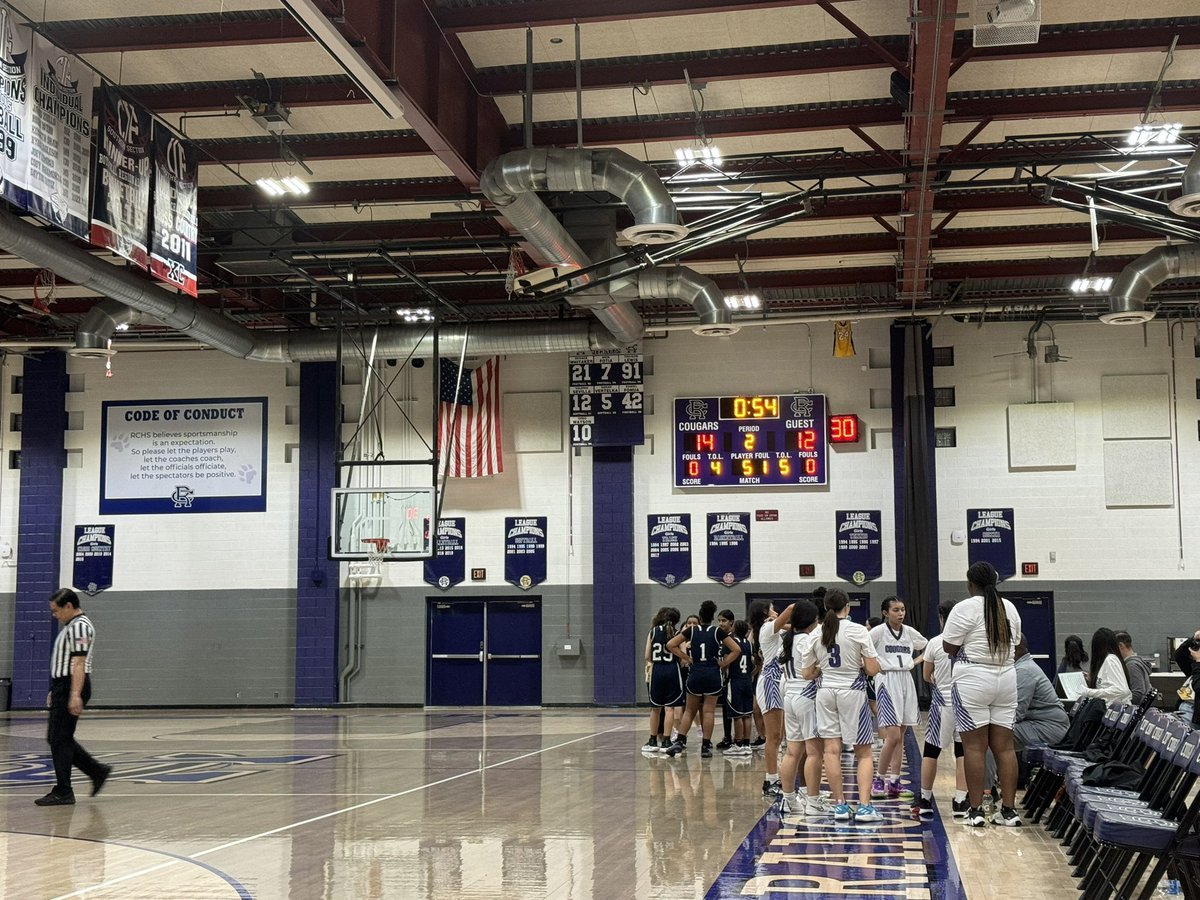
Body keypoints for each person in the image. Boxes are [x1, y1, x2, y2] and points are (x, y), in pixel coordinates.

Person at [941, 561, 1023, 828]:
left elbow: (949, 646)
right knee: (1005, 748)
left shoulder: (964, 608)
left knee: (974, 747)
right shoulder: (1008, 607)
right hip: (1007, 676)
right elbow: (1018, 643)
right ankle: (1009, 811)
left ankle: (975, 811)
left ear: (969, 583)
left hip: (973, 678)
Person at [801, 589, 882, 823]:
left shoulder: (816, 633)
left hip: (825, 692)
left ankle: (840, 805)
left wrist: (821, 669)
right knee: (863, 751)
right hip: (852, 692)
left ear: (825, 607)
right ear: (847, 606)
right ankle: (865, 807)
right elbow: (872, 669)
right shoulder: (857, 630)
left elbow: (807, 673)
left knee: (831, 750)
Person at [37, 588, 111, 806]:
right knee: (59, 738)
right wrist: (57, 687)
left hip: (72, 684)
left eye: (56, 611)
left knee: (60, 739)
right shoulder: (72, 626)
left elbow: (78, 663)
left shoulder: (79, 627)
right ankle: (97, 771)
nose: (54, 615)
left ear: (68, 606)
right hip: (64, 684)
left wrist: (74, 694)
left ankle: (64, 790)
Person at [984, 636, 1070, 790]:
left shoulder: (1024, 671)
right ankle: (990, 787)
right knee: (989, 733)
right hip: (1041, 723)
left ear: (1015, 649)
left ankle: (987, 790)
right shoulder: (1022, 667)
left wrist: (986, 719)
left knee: (989, 737)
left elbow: (1016, 714)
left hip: (1049, 728)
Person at [868, 596, 927, 802]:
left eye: (902, 609)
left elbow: (927, 646)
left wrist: (915, 661)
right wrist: (873, 667)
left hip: (905, 680)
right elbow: (862, 649)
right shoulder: (877, 632)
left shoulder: (909, 632)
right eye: (895, 610)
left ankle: (894, 782)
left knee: (900, 737)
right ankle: (878, 780)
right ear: (885, 613)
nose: (900, 613)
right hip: (886, 680)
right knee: (892, 736)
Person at [665, 601, 741, 759]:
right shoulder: (717, 631)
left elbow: (670, 644)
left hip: (696, 673)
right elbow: (736, 649)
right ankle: (706, 746)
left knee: (690, 711)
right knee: (708, 711)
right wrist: (723, 664)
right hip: (712, 674)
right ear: (713, 617)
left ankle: (680, 741)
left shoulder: (691, 630)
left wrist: (686, 658)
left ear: (700, 616)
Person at [915, 598, 968, 819]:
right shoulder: (968, 641)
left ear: (941, 617)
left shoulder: (936, 642)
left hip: (943, 702)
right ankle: (960, 800)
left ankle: (925, 799)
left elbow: (927, 676)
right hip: (966, 702)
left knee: (931, 751)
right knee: (963, 752)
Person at [776, 600, 824, 816]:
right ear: (811, 621)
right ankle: (813, 802)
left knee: (792, 751)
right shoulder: (808, 640)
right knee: (814, 752)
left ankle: (788, 799)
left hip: (790, 697)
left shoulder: (786, 639)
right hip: (806, 696)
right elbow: (813, 668)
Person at [750, 598, 795, 797]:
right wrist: (806, 607)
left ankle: (778, 777)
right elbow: (792, 609)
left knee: (780, 736)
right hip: (770, 681)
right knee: (774, 736)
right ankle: (770, 780)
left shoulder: (773, 628)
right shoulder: (767, 627)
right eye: (771, 608)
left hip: (779, 681)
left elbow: (793, 626)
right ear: (764, 612)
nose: (775, 611)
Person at [643, 607, 683, 754]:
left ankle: (653, 740)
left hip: (657, 670)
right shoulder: (678, 633)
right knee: (670, 708)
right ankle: (666, 740)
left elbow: (647, 656)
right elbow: (683, 655)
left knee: (655, 708)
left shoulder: (653, 631)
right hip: (672, 669)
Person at [721, 620, 754, 755]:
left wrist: (721, 666)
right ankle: (747, 744)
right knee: (747, 714)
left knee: (737, 715)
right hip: (747, 681)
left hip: (735, 680)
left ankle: (738, 744)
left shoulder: (730, 642)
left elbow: (726, 662)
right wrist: (751, 674)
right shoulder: (749, 644)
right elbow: (756, 662)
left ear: (734, 629)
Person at [1077, 627, 1131, 705]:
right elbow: (1107, 684)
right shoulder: (1107, 661)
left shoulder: (1110, 660)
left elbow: (1121, 690)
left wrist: (1088, 692)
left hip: (1113, 711)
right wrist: (1092, 678)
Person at [714, 609, 738, 751]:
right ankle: (727, 736)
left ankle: (734, 738)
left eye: (724, 620)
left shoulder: (732, 638)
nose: (721, 623)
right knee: (726, 710)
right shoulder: (718, 636)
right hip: (724, 679)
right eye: (719, 621)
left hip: (732, 677)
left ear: (731, 622)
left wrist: (723, 665)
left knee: (733, 711)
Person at [1115, 631, 1153, 706]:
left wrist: (1117, 704)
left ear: (1121, 645)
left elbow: (1137, 695)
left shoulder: (1131, 666)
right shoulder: (1134, 663)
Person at [1173, 630, 1200, 727]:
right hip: (1183, 710)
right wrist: (1192, 639)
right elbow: (1179, 656)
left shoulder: (1197, 667)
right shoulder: (1195, 668)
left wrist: (1198, 662)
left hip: (1194, 716)